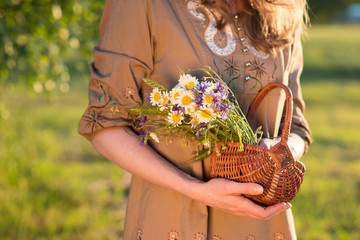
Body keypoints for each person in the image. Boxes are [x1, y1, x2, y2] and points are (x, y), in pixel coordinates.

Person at [78, 0, 312, 239]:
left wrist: (282, 149)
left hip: (264, 225)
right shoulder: (142, 5)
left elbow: (296, 126)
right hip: (174, 219)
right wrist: (195, 189)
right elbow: (105, 123)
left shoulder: (284, 7)